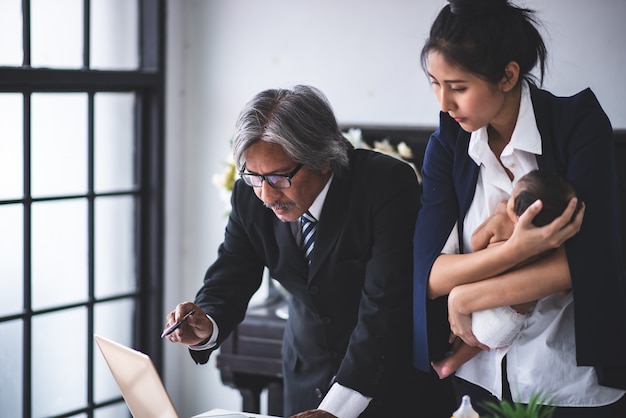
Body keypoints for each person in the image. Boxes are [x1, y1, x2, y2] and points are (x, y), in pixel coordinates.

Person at [164, 85, 455, 418]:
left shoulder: (385, 185)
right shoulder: (251, 196)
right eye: (254, 176)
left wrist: (335, 408)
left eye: (278, 177)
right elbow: (232, 271)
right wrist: (207, 322)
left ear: (323, 161)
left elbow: (386, 305)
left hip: (388, 390)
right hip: (306, 383)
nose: (266, 195)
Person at [412, 0, 626, 416]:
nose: (443, 103)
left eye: (457, 87)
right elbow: (431, 275)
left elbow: (586, 265)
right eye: (434, 83)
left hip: (570, 384)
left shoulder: (577, 126)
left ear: (508, 75)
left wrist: (465, 298)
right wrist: (518, 250)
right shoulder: (449, 144)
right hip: (480, 385)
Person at [431, 170, 580, 379]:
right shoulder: (551, 244)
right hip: (511, 320)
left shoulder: (501, 223)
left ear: (517, 212)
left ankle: (450, 362)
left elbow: (476, 242)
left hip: (481, 304)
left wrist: (499, 215)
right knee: (482, 340)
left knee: (473, 335)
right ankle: (451, 363)